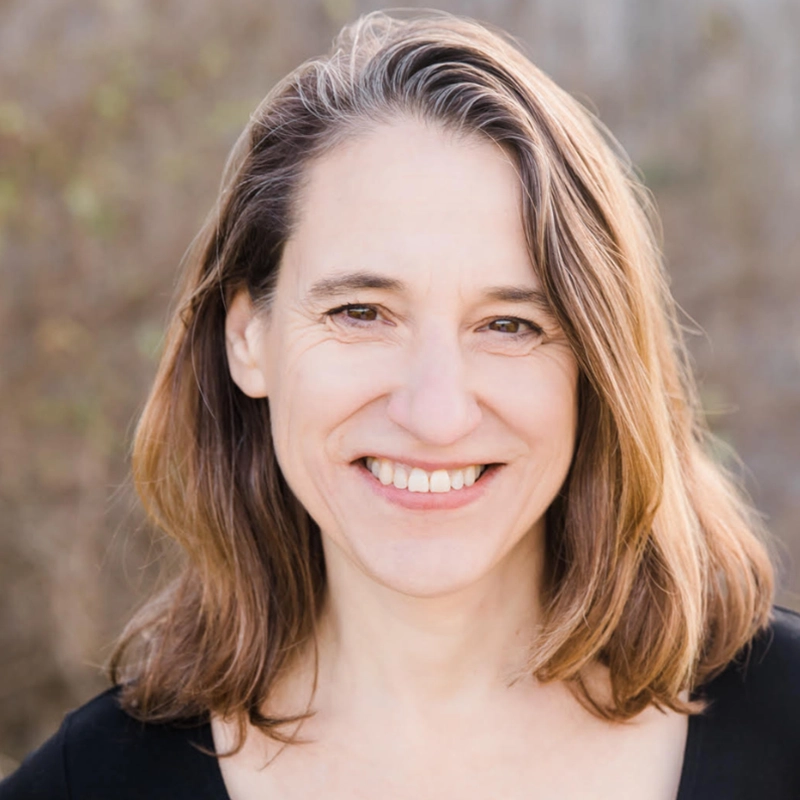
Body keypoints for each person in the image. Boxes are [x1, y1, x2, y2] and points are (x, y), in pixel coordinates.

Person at [2, 10, 798, 800]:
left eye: (509, 325)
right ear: (248, 338)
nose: (436, 413)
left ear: (597, 363)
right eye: (361, 313)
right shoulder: (88, 785)